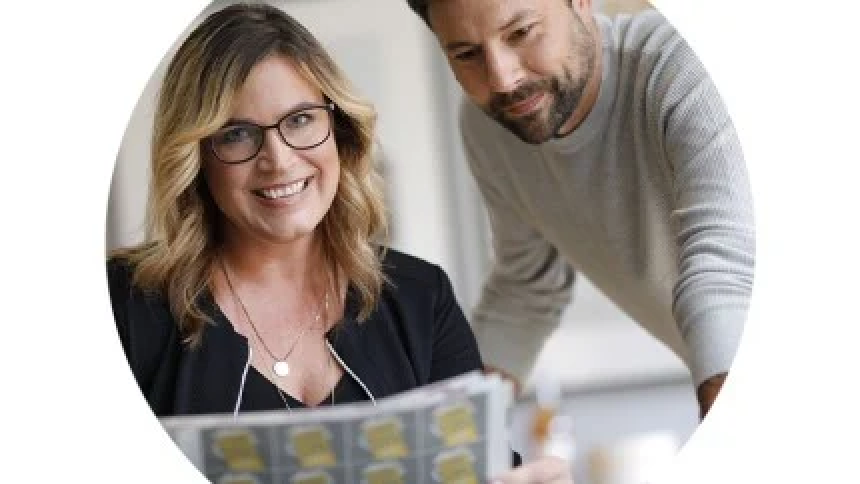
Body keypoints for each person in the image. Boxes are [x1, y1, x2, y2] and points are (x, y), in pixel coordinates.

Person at [106, 3, 572, 482]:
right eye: (238, 134)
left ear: (340, 129)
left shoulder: (419, 297)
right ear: (198, 157)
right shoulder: (124, 305)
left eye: (301, 120)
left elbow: (483, 469)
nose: (280, 161)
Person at [404, 0, 755, 419]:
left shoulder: (685, 66)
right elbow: (527, 289)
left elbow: (727, 276)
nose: (502, 79)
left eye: (521, 33)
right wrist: (452, 441)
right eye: (466, 54)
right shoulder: (490, 126)